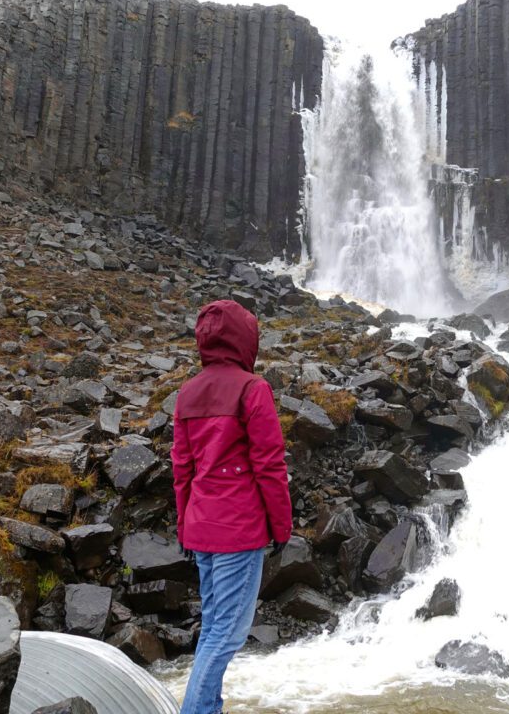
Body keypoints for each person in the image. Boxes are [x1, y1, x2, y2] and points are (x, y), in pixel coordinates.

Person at [172, 299, 292, 714]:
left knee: (213, 628)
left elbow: (182, 470)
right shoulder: (251, 389)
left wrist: (184, 528)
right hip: (238, 529)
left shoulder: (187, 393)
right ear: (244, 338)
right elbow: (269, 465)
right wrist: (281, 528)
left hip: (201, 526)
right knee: (227, 633)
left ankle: (209, 707)